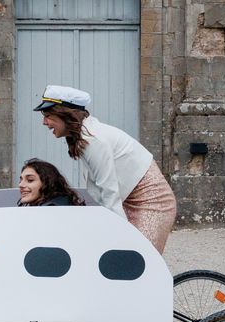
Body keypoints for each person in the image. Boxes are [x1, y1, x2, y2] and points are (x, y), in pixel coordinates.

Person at [34, 85, 176, 253]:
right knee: (122, 262)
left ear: (65, 114)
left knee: (140, 260)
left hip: (152, 202)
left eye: (48, 116)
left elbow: (110, 193)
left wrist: (117, 234)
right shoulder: (84, 134)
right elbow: (99, 190)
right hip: (130, 199)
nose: (44, 122)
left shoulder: (93, 140)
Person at [18, 158, 86, 207]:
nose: (20, 185)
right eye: (21, 180)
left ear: (48, 182)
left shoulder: (51, 209)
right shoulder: (62, 202)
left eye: (30, 180)